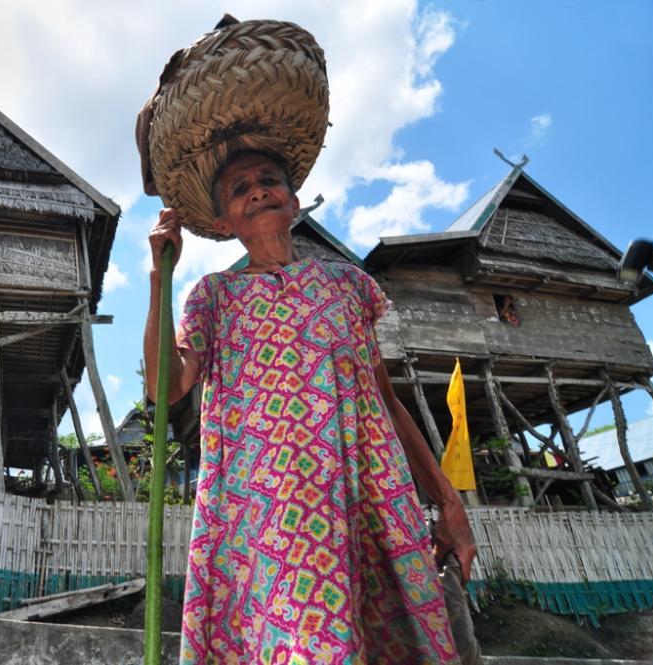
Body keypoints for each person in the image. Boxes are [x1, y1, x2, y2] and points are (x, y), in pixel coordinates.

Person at [144, 149, 477, 664]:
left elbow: (386, 402)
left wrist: (449, 505)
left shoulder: (347, 285)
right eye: (239, 189)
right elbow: (167, 388)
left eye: (268, 180)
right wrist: (159, 278)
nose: (257, 190)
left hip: (362, 503)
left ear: (294, 199)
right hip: (266, 519)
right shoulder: (214, 296)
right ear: (223, 223)